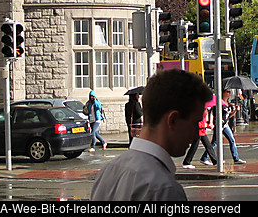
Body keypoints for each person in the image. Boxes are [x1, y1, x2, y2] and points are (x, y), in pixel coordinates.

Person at [90, 69, 212, 201]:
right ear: (173, 120)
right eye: (195, 122)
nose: (195, 134)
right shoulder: (164, 190)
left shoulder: (108, 171)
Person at [206, 89, 245, 164]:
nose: (229, 93)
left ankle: (236, 158)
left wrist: (235, 111)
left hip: (225, 125)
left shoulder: (228, 104)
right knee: (214, 142)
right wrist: (211, 122)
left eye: (230, 92)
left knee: (232, 140)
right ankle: (205, 157)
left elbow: (229, 116)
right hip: (219, 125)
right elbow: (211, 112)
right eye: (228, 92)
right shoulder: (219, 102)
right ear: (223, 93)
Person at [182, 94, 218, 168]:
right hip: (197, 130)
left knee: (208, 145)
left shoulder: (204, 109)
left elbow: (204, 120)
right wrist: (205, 125)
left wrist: (207, 125)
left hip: (201, 131)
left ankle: (215, 161)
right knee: (195, 146)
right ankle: (186, 162)